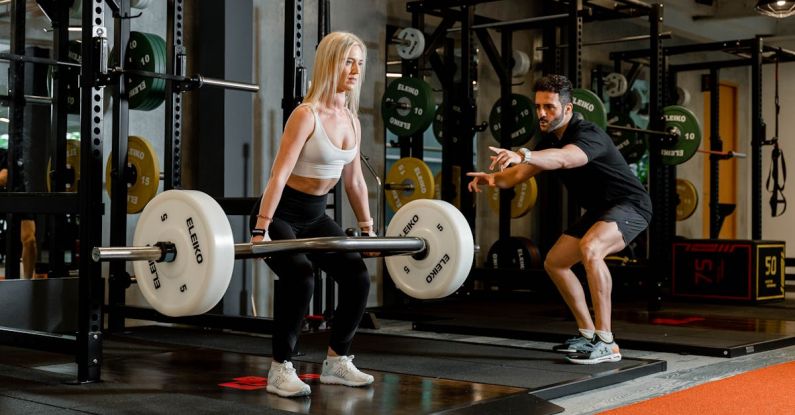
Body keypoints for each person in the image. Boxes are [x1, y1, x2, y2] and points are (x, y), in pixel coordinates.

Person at [467, 74, 652, 364]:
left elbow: (566, 159)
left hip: (631, 205)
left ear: (567, 109)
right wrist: (492, 178)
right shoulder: (548, 141)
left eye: (549, 107)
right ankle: (588, 334)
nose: (541, 113)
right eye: (538, 106)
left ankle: (607, 342)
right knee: (555, 262)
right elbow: (517, 175)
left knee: (591, 249)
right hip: (600, 210)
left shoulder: (588, 134)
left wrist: (524, 153)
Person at [249, 31, 375, 397]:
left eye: (359, 64)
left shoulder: (352, 120)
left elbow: (354, 182)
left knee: (357, 277)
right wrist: (262, 229)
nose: (354, 70)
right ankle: (280, 369)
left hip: (317, 217)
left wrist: (367, 230)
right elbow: (279, 174)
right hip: (282, 214)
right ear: (329, 64)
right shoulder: (306, 115)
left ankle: (337, 361)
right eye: (348, 61)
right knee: (301, 277)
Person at [0, 148, 38, 280]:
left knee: (29, 240)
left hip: (18, 197)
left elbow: (3, 178)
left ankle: (28, 281)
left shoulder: (5, 155)